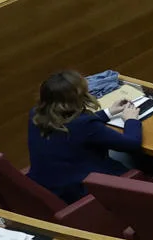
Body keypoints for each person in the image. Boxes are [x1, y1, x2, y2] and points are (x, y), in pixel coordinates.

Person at [25, 69, 142, 202]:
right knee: (139, 159)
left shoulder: (36, 114)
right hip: (80, 192)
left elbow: (70, 123)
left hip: (48, 186)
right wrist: (131, 120)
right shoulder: (85, 125)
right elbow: (132, 143)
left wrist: (108, 112)